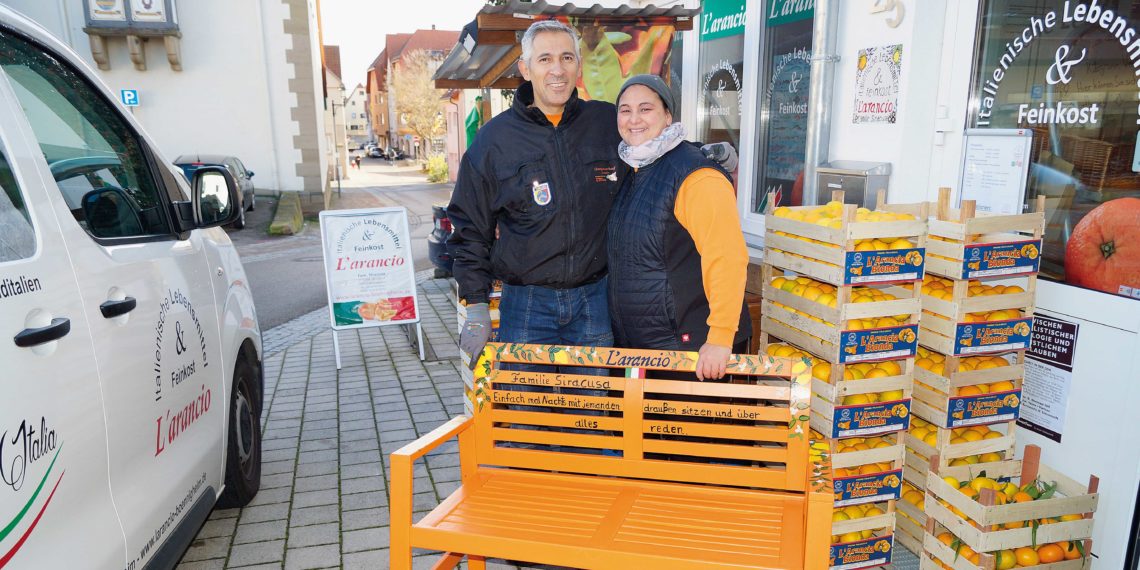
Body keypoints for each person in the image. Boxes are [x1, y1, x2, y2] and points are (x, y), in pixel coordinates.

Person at [450, 20, 737, 367]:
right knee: (528, 400)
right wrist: (476, 305)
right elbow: (470, 228)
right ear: (525, 69)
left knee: (592, 400)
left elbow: (651, 143)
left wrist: (703, 153)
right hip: (527, 306)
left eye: (567, 58)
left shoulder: (604, 122)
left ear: (579, 66)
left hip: (595, 302)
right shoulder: (493, 142)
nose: (557, 70)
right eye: (544, 59)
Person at [606, 75, 751, 381]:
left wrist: (720, 337)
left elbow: (726, 257)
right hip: (646, 349)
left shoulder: (695, 176)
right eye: (625, 110)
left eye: (646, 109)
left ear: (668, 116)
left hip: (692, 350)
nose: (634, 119)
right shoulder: (634, 169)